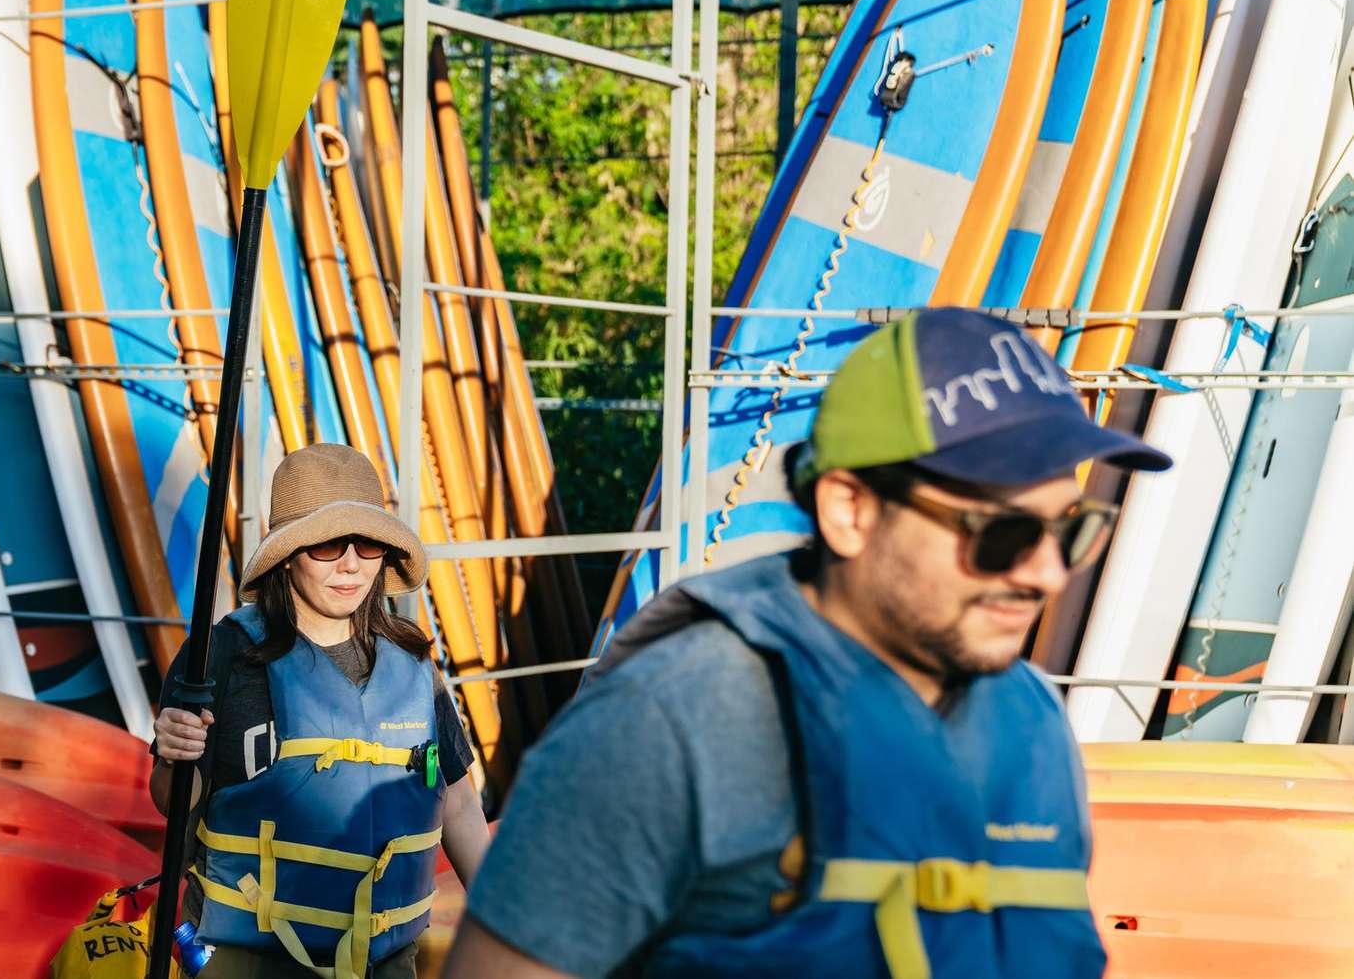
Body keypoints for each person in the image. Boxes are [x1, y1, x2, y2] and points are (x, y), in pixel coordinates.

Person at [443, 308, 1171, 978]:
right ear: (850, 510)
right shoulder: (669, 722)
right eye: (1001, 535)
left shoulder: (1033, 722)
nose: (1046, 573)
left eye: (1068, 529)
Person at [152, 443, 491, 979]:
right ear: (288, 554)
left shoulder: (413, 663)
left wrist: (506, 923)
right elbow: (173, 807)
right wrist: (175, 757)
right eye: (329, 544)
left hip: (387, 962)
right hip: (252, 963)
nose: (352, 564)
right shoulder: (220, 656)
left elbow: (459, 805)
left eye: (369, 544)